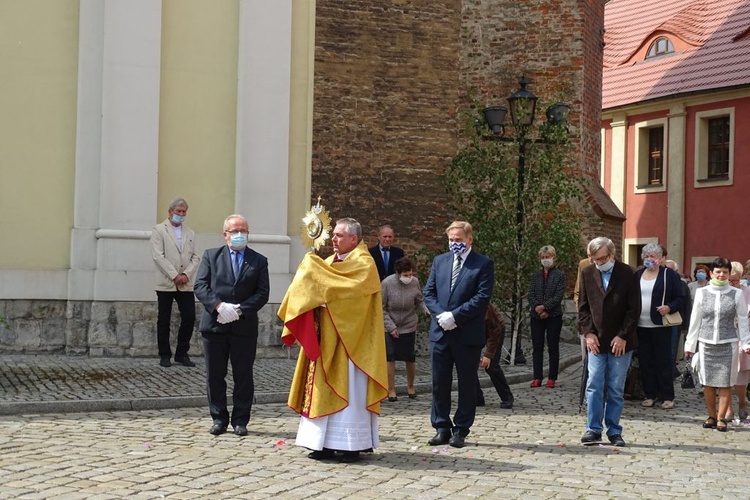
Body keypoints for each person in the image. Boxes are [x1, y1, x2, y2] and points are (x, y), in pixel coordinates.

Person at [279, 218, 387, 463]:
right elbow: (313, 289)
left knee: (351, 389)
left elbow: (351, 297)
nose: (333, 239)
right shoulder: (328, 263)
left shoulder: (365, 265)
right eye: (333, 235)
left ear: (354, 238)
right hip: (326, 338)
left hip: (352, 342)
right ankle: (322, 443)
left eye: (339, 235)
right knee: (320, 387)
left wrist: (323, 288)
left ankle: (351, 445)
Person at [194, 214, 270, 437]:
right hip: (214, 326)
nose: (239, 235)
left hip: (243, 327)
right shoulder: (211, 256)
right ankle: (219, 418)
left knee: (243, 375)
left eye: (243, 231)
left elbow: (262, 293)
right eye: (235, 231)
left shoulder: (259, 260)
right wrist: (218, 306)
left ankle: (240, 420)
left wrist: (239, 310)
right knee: (215, 375)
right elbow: (200, 285)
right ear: (225, 234)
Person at [423, 221, 494, 448]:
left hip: (466, 333)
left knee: (466, 383)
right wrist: (440, 315)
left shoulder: (482, 264)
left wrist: (455, 316)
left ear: (469, 239)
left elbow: (481, 298)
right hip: (441, 332)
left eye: (459, 240)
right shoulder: (440, 261)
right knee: (439, 382)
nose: (455, 243)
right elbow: (429, 292)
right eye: (451, 240)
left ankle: (461, 429)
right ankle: (441, 426)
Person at [578, 237, 639, 447]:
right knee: (594, 383)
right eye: (594, 259)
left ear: (612, 255)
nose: (598, 263)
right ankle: (593, 429)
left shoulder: (627, 273)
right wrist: (588, 333)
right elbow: (583, 307)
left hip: (621, 340)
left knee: (615, 386)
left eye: (602, 259)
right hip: (596, 339)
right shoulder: (587, 272)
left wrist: (623, 335)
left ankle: (614, 430)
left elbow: (634, 309)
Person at [686, 257, 750, 432]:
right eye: (718, 271)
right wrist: (690, 345)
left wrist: (746, 342)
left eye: (725, 272)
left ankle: (722, 418)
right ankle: (711, 416)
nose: (721, 275)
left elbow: (743, 319)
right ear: (711, 273)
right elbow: (695, 319)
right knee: (707, 382)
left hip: (729, 342)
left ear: (729, 274)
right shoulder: (702, 292)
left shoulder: (736, 294)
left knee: (725, 382)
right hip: (706, 343)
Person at [150, 198, 201, 368]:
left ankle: (182, 353)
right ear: (170, 212)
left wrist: (186, 274)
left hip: (185, 283)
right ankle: (164, 354)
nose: (181, 214)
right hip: (166, 282)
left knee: (189, 316)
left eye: (183, 211)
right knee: (164, 319)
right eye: (178, 211)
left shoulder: (190, 233)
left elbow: (195, 256)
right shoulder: (159, 230)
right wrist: (174, 275)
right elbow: (158, 255)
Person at [635, 243, 684, 410]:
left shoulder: (668, 274)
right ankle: (650, 394)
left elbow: (680, 297)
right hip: (641, 325)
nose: (650, 259)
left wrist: (669, 307)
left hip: (660, 325)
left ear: (660, 258)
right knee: (645, 361)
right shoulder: (638, 274)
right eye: (647, 256)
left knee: (663, 362)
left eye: (653, 256)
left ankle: (667, 396)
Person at [381, 257, 429, 401]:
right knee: (391, 357)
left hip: (409, 324)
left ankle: (410, 387)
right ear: (398, 273)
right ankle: (391, 389)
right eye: (406, 275)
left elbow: (419, 300)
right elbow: (381, 308)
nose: (409, 277)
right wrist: (391, 327)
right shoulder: (387, 284)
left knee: (410, 357)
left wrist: (426, 310)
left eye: (410, 274)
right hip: (391, 324)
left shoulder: (414, 282)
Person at [528, 245, 566, 388]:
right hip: (536, 316)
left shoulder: (559, 275)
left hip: (553, 315)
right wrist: (537, 307)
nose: (545, 260)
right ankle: (537, 376)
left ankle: (552, 377)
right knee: (537, 347)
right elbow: (531, 293)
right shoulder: (536, 275)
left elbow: (558, 295)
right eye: (543, 257)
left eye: (548, 257)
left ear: (553, 257)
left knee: (552, 346)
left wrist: (546, 308)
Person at [721, 262, 750, 422]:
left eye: (736, 280)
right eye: (730, 281)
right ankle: (728, 409)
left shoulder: (747, 291)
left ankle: (742, 402)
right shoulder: (722, 291)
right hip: (724, 336)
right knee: (724, 376)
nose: (733, 284)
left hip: (742, 336)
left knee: (740, 376)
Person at [476, 303, 515, 409]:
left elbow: (495, 331)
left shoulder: (483, 306)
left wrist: (488, 355)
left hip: (495, 329)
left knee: (491, 366)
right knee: (468, 363)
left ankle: (507, 397)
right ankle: (477, 397)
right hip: (475, 331)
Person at [665, 259, 692, 377]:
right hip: (658, 321)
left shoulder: (682, 285)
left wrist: (686, 325)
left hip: (675, 321)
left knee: (672, 350)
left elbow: (687, 305)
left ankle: (670, 372)